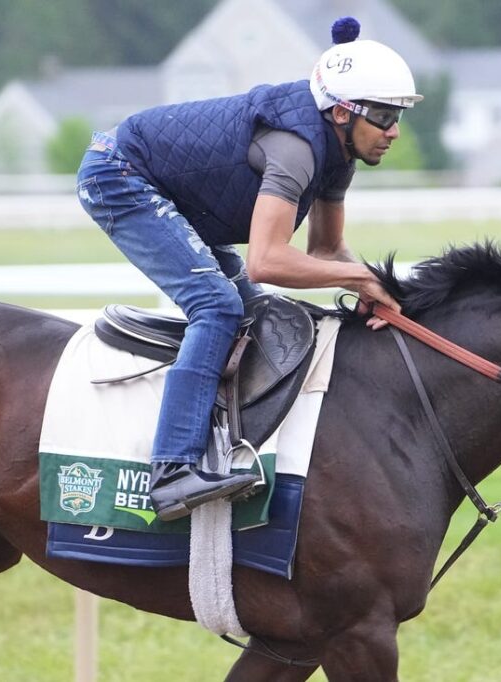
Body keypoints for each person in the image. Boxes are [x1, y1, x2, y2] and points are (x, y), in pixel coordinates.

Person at [76, 17, 422, 522]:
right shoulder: (297, 147)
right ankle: (172, 470)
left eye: (399, 117)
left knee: (256, 312)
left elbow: (325, 250)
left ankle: (227, 442)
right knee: (217, 306)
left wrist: (389, 291)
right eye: (385, 117)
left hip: (169, 185)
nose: (393, 132)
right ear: (343, 112)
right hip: (119, 172)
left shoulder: (338, 151)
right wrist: (358, 280)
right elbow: (267, 260)